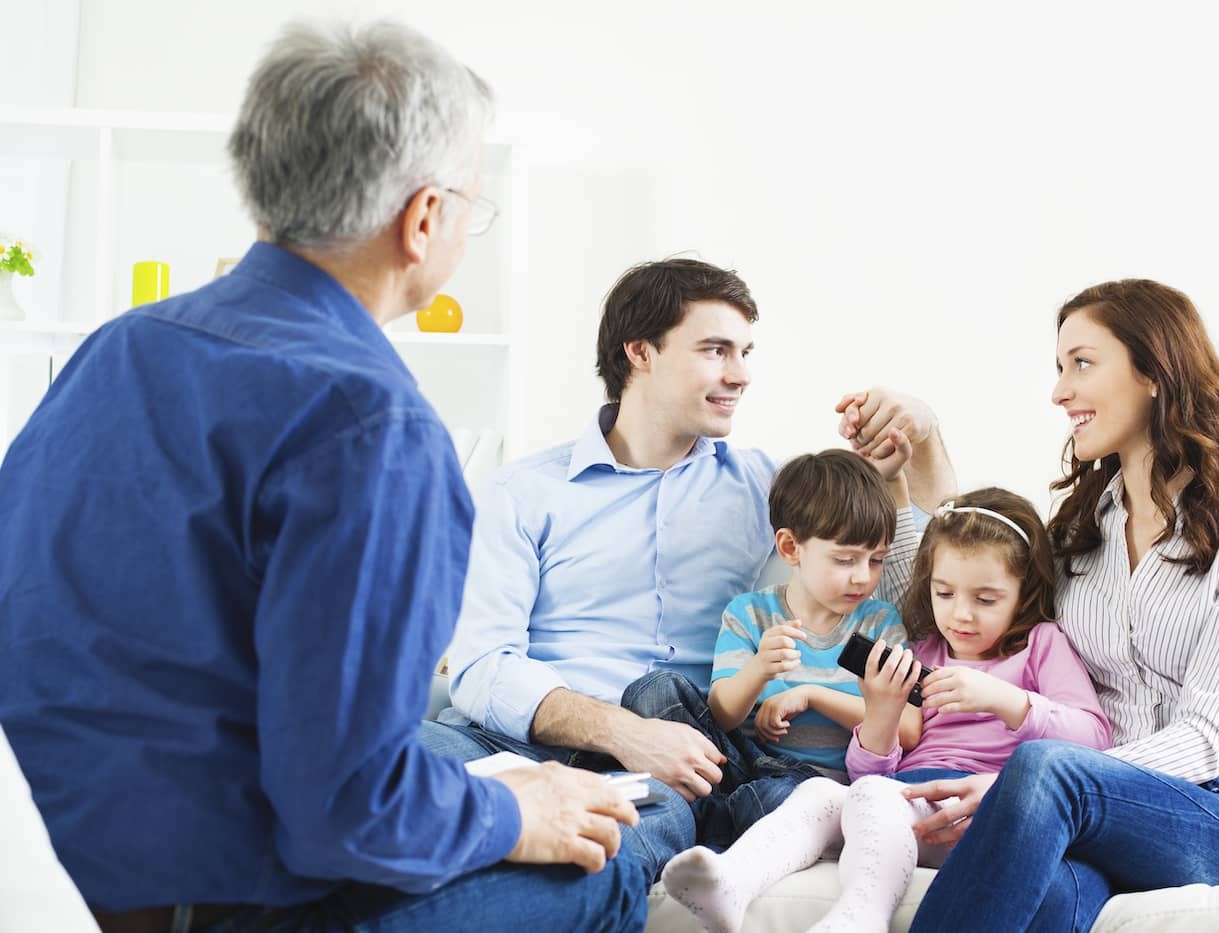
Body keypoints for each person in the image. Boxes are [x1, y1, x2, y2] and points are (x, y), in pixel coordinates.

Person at [0, 20, 647, 932]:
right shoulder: (373, 425)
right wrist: (514, 814)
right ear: (424, 218)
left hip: (49, 857)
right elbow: (348, 812)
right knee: (607, 870)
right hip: (204, 900)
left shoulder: (117, 347)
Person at [423, 259, 955, 880]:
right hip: (502, 742)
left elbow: (929, 572)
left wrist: (924, 437)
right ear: (640, 352)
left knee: (603, 860)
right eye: (715, 350)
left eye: (745, 352)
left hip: (666, 765)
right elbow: (482, 665)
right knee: (354, 778)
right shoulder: (522, 492)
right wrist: (621, 730)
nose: (741, 374)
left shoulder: (764, 486)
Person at [868, 279, 1219, 932]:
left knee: (1041, 766)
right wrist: (916, 450)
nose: (1059, 391)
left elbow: (1206, 740)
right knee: (1043, 898)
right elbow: (951, 579)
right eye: (1059, 367)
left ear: (1153, 372)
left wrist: (1028, 786)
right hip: (1087, 814)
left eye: (1081, 364)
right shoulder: (1080, 533)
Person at [661, 486, 1110, 933]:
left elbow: (1093, 738)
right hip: (906, 801)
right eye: (944, 593)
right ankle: (731, 883)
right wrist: (881, 712)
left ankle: (861, 919)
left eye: (986, 599)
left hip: (984, 806)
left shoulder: (1040, 645)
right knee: (820, 794)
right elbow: (869, 772)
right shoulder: (922, 652)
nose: (961, 615)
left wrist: (1004, 699)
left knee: (874, 796)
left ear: (1024, 591)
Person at [705, 448, 921, 778]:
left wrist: (814, 696)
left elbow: (908, 729)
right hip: (757, 772)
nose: (863, 576)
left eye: (876, 560)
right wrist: (759, 669)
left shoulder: (880, 623)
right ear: (791, 548)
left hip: (835, 785)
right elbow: (720, 717)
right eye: (845, 560)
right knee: (661, 688)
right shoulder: (749, 614)